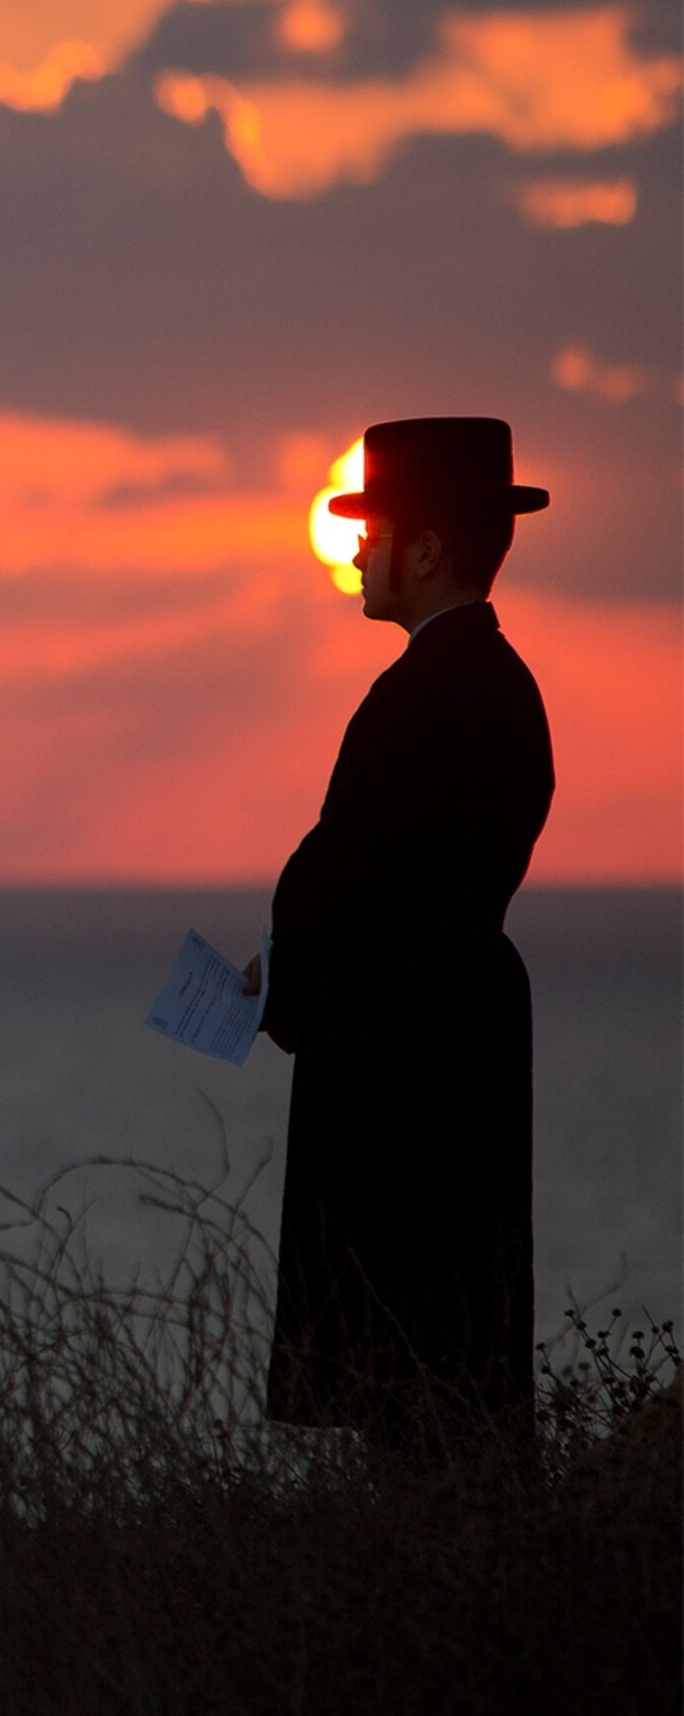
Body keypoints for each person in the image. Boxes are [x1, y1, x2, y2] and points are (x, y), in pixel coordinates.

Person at [249, 416, 553, 1454]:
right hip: (457, 1038)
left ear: (425, 548)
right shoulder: (503, 688)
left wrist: (283, 985)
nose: (357, 552)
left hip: (399, 1065)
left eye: (372, 529)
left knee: (409, 1363)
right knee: (461, 1350)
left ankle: (431, 1593)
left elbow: (355, 878)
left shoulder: (422, 696)